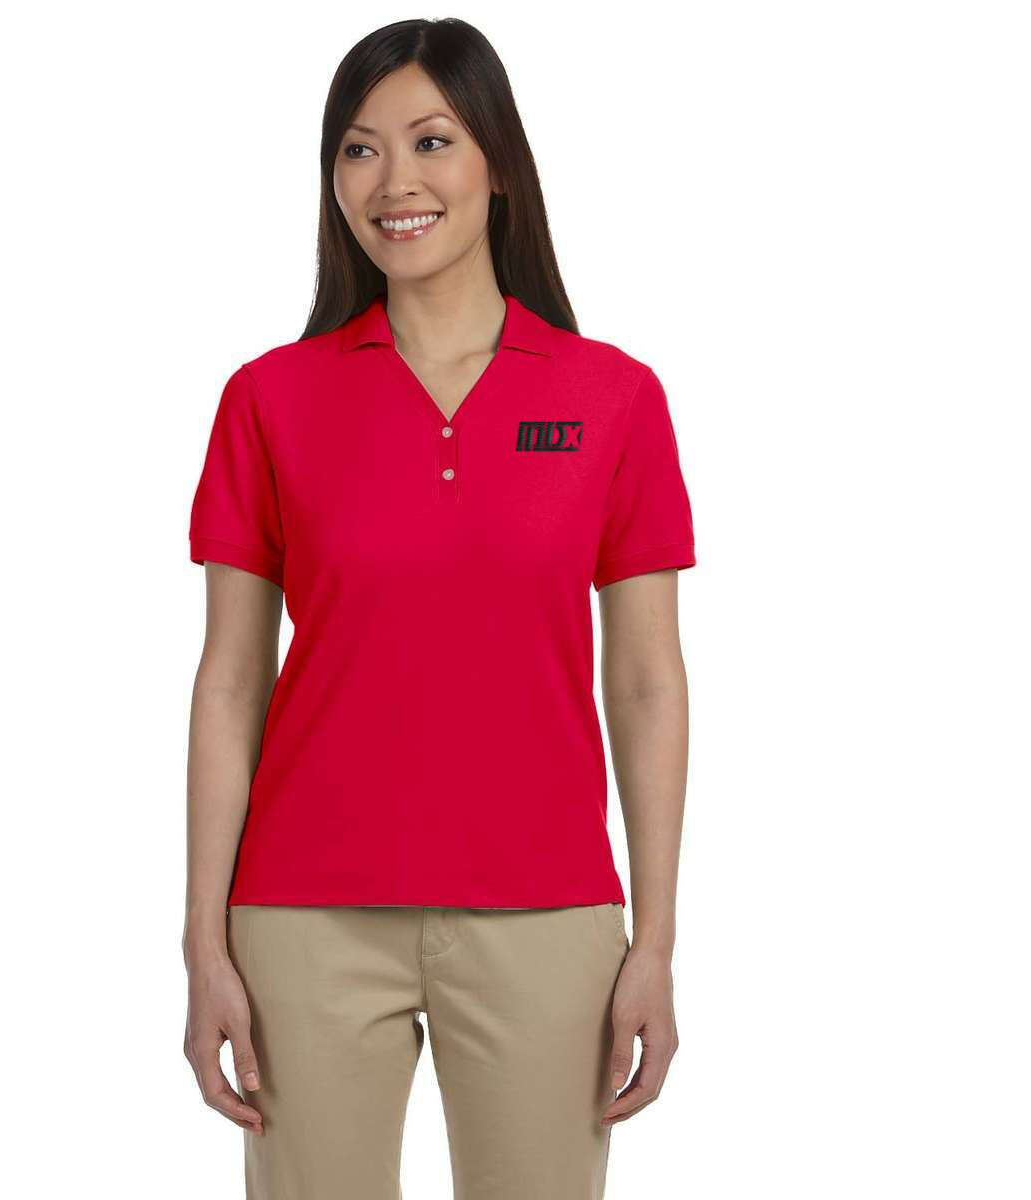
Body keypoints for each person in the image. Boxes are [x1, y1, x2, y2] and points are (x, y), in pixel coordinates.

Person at [182, 18, 696, 1200]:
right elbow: (230, 681)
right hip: (303, 916)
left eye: (431, 141)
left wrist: (657, 941)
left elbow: (646, 681)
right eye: (358, 150)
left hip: (548, 911)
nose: (393, 182)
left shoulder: (613, 398)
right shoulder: (269, 400)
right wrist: (203, 941)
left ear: (497, 162)